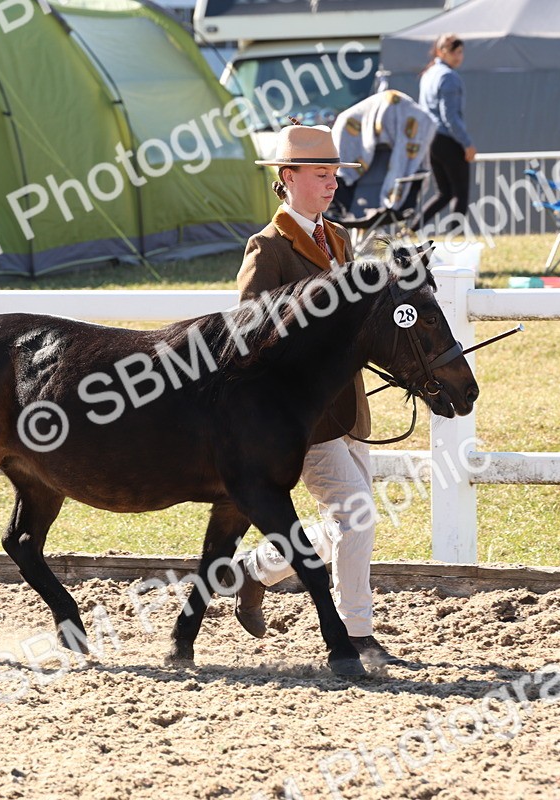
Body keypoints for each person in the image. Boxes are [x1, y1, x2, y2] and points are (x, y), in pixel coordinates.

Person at [228, 124, 405, 669]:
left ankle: (256, 569)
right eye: (322, 175)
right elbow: (246, 329)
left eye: (334, 175)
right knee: (357, 517)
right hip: (303, 417)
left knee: (341, 523)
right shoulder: (269, 247)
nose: (332, 184)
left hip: (350, 405)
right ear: (289, 178)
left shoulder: (340, 238)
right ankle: (357, 634)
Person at [417, 34, 476, 233]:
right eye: (455, 52)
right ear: (442, 51)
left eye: (461, 52)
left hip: (430, 140)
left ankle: (412, 228)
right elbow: (450, 116)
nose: (460, 57)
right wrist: (467, 143)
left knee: (445, 192)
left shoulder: (428, 74)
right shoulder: (449, 77)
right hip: (447, 139)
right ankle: (455, 236)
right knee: (460, 192)